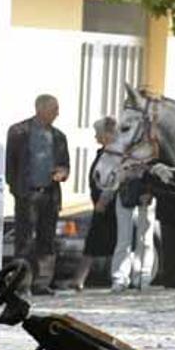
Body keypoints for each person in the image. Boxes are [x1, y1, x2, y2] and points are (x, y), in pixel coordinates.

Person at [5, 94, 70, 295]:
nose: (57, 113)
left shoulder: (59, 136)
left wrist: (62, 173)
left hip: (50, 195)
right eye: (54, 109)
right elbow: (10, 163)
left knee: (47, 239)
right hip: (27, 194)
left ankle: (42, 283)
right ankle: (22, 282)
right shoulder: (19, 132)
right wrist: (16, 189)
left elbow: (65, 165)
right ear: (40, 109)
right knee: (23, 240)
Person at [70, 117, 119, 292]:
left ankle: (113, 278)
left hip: (109, 205)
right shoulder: (102, 153)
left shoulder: (115, 155)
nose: (96, 137)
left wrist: (103, 200)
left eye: (98, 133)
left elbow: (113, 180)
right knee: (93, 242)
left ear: (107, 135)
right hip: (100, 203)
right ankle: (80, 279)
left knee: (113, 241)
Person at [112, 173, 152, 292]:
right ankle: (119, 277)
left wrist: (150, 190)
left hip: (146, 190)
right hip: (125, 190)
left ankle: (142, 276)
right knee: (123, 239)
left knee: (145, 238)